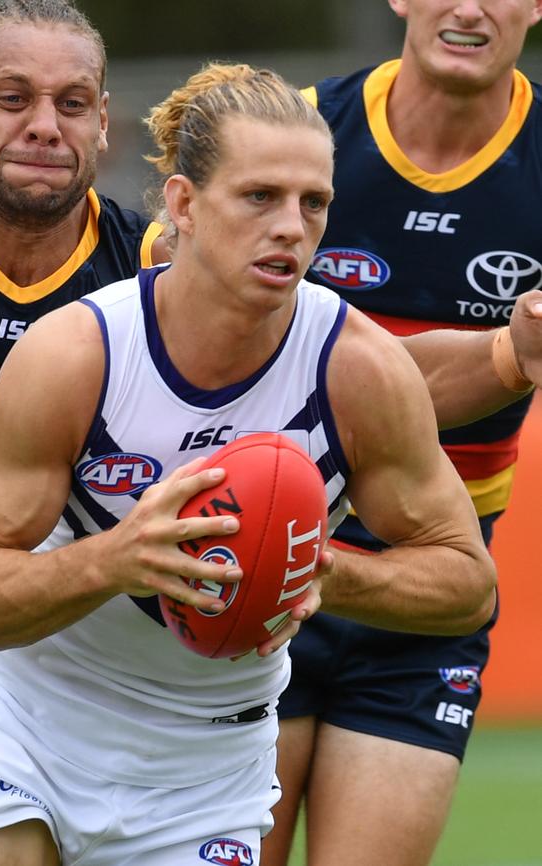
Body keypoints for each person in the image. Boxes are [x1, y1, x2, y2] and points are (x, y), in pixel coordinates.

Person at [0, 61, 498, 866]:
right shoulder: (80, 353)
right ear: (183, 204)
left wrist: (320, 571)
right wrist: (115, 558)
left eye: (312, 203)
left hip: (204, 775)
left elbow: (468, 583)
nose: (291, 226)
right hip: (28, 736)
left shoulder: (358, 368)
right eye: (259, 197)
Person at [265, 2, 542, 865]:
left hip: (432, 596)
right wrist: (509, 352)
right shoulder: (296, 135)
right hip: (261, 576)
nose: (468, 8)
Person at [0, 0, 167, 851]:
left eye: (72, 103)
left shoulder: (153, 265)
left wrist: (502, 353)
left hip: (61, 672)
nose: (44, 126)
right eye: (14, 98)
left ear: (103, 121)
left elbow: (318, 366)